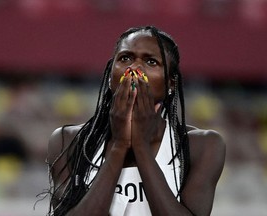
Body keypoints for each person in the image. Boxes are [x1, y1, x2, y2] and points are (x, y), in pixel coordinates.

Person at [46, 26, 226, 216]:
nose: (134, 69)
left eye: (151, 61)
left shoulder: (203, 145)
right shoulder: (68, 140)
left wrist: (140, 145)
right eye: (125, 58)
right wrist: (119, 145)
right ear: (109, 76)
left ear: (171, 83)